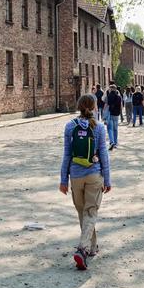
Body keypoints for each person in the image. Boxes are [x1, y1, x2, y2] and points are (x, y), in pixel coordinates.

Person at [60, 94, 112, 270]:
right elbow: (104, 155)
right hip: (94, 174)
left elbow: (67, 155)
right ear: (95, 107)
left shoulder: (69, 126)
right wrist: (108, 179)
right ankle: (83, 249)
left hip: (75, 176)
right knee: (90, 212)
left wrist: (63, 180)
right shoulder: (99, 127)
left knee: (84, 212)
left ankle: (92, 247)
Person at [105, 84, 122, 149]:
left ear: (110, 89)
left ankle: (111, 142)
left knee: (110, 129)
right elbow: (120, 106)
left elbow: (106, 105)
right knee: (115, 129)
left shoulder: (108, 96)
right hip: (116, 114)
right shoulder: (119, 97)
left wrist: (104, 113)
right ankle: (115, 142)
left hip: (110, 113)